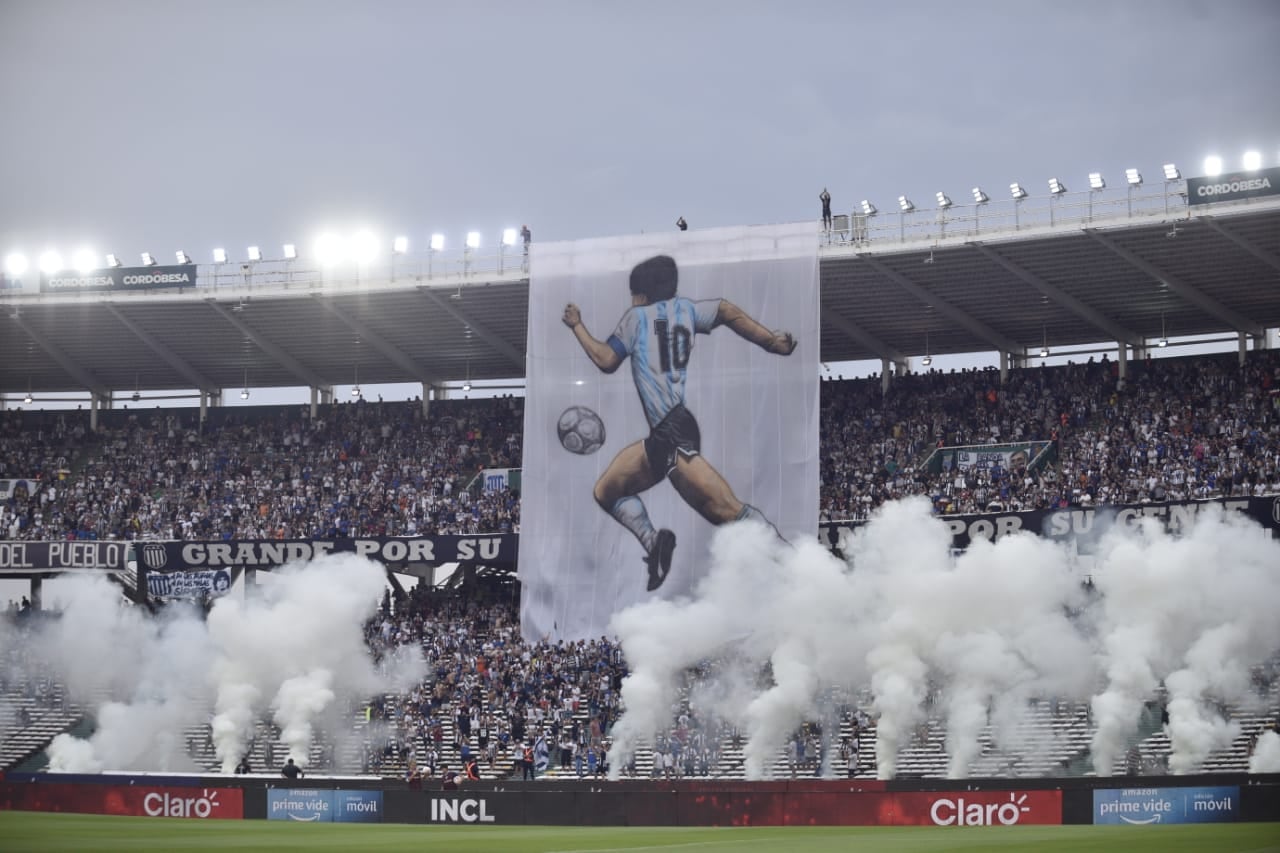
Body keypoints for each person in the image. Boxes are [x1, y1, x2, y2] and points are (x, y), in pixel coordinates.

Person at [562, 254, 795, 591]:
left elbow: (606, 359)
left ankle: (795, 568)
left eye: (632, 295)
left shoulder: (636, 318)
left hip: (672, 432)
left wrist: (577, 326)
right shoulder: (687, 309)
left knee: (727, 512)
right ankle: (655, 543)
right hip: (666, 432)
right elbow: (727, 310)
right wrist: (771, 341)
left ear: (640, 295)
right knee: (606, 490)